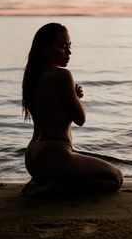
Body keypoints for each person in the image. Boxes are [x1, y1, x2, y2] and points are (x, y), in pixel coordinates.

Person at [21, 22, 123, 195]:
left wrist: (72, 94)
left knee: (88, 167)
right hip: (54, 156)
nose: (69, 52)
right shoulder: (63, 76)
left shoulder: (32, 76)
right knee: (116, 178)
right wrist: (75, 96)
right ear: (45, 49)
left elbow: (52, 108)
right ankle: (52, 189)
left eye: (69, 46)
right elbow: (80, 119)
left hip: (33, 157)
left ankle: (45, 182)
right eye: (63, 46)